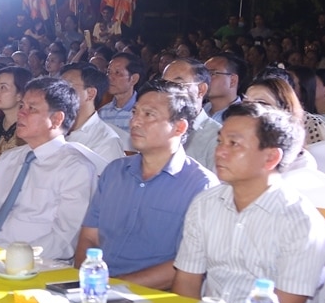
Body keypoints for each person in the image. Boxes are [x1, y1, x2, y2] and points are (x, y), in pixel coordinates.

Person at [173, 102, 325, 303]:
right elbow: (186, 285)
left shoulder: (302, 223)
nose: (219, 152)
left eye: (234, 144)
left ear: (271, 158)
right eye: (220, 141)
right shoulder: (205, 204)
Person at [76, 80, 218, 289]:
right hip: (95, 287)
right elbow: (89, 237)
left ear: (179, 127)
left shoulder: (200, 186)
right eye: (135, 113)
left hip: (152, 298)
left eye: (148, 115)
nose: (135, 122)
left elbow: (187, 264)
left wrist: (116, 286)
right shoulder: (115, 172)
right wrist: (84, 281)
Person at [0, 78, 98, 260]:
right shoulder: (9, 159)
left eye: (31, 109)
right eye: (21, 106)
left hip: (37, 265)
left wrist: (17, 259)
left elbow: (66, 237)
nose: (20, 114)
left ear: (56, 119)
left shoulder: (75, 168)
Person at [59, 62, 125, 167]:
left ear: (90, 94)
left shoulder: (106, 141)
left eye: (67, 86)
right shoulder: (51, 128)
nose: (57, 93)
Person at [161, 58, 222, 171]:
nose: (168, 91)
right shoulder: (156, 128)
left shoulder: (217, 137)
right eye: (164, 85)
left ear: (201, 90)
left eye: (177, 85)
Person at [245, 76, 325, 146]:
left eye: (261, 103)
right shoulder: (242, 132)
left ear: (285, 108)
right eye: (246, 102)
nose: (250, 108)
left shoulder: (310, 128)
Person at [97, 52, 144, 139]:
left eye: (117, 73)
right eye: (108, 72)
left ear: (134, 79)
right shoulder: (102, 113)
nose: (110, 77)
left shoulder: (144, 112)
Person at [204, 53, 244, 122]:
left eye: (212, 74)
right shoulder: (200, 110)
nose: (204, 79)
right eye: (203, 74)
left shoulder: (243, 118)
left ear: (232, 81)